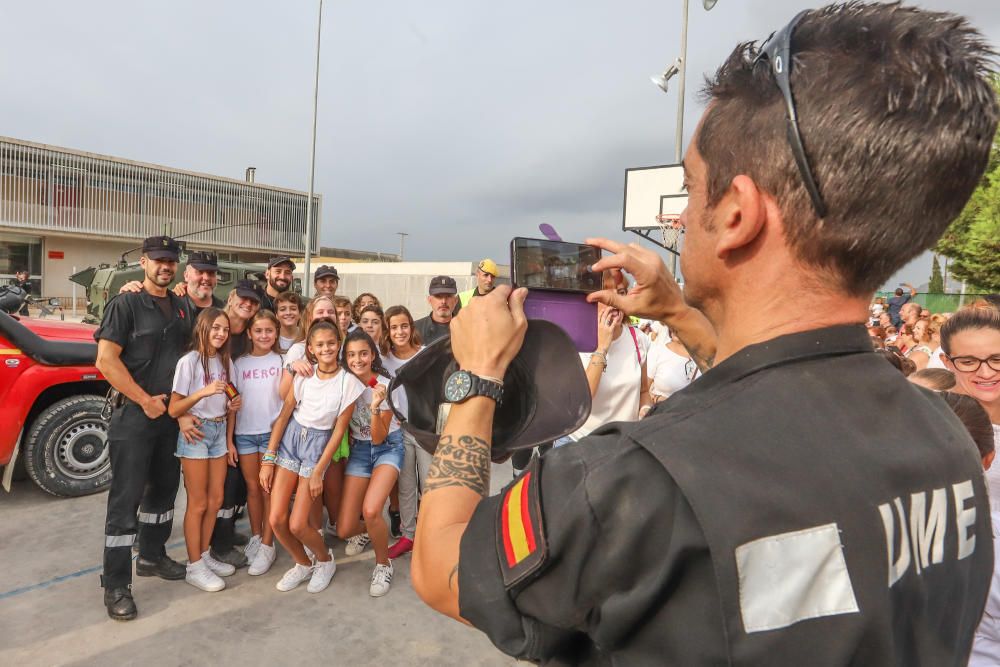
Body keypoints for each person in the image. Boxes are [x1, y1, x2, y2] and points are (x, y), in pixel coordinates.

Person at [410, 5, 997, 664]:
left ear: (738, 213)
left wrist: (476, 376)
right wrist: (682, 314)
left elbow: (442, 568)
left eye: (690, 192)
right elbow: (787, 403)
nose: (680, 217)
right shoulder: (946, 437)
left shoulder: (628, 481)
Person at [94, 236, 192, 621]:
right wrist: (143, 400)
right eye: (158, 260)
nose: (165, 266)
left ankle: (152, 555)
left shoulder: (182, 307)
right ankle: (116, 584)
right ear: (144, 262)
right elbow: (106, 360)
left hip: (169, 418)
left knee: (164, 493)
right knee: (125, 502)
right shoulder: (126, 303)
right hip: (134, 418)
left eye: (171, 261)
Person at [260, 321, 363, 593]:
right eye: (320, 345)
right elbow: (284, 416)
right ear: (311, 349)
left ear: (338, 344)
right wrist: (268, 458)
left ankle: (325, 560)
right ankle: (303, 563)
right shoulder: (304, 376)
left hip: (317, 447)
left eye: (331, 343)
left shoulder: (348, 382)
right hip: (291, 442)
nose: (326, 348)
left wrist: (319, 470)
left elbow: (339, 430)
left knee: (298, 523)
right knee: (277, 519)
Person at [938, 304, 1000, 667]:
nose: (986, 372)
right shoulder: (929, 418)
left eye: (996, 358)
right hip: (950, 592)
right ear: (948, 362)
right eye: (969, 361)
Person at [168, 307, 239, 592]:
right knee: (197, 502)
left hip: (220, 432)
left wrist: (232, 409)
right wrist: (202, 393)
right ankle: (194, 565)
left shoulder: (225, 362)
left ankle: (205, 554)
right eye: (215, 328)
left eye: (225, 329)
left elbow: (231, 399)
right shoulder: (189, 362)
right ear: (203, 328)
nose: (220, 334)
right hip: (197, 433)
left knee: (216, 498)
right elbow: (174, 408)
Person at [336, 329, 406, 597]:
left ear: (373, 355)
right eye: (351, 355)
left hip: (387, 447)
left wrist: (376, 407)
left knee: (372, 509)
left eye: (363, 353)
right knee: (344, 528)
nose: (357, 360)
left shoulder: (385, 385)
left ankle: (383, 564)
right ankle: (372, 530)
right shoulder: (344, 382)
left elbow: (378, 437)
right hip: (360, 451)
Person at [229, 310, 285, 576]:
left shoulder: (282, 361)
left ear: (276, 333)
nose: (264, 335)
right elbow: (233, 404)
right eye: (259, 331)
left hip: (271, 435)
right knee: (252, 488)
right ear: (249, 333)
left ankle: (268, 543)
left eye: (269, 331)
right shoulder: (239, 364)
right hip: (245, 433)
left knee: (268, 489)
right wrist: (230, 438)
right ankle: (255, 535)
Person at [562, 275, 651, 444]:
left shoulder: (638, 338)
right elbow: (581, 401)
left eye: (621, 293)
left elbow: (644, 391)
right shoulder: (576, 342)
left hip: (623, 445)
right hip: (580, 443)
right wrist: (602, 346)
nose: (614, 301)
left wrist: (646, 409)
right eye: (606, 295)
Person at [381, 305, 426, 559]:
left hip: (426, 430)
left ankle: (431, 533)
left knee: (429, 486)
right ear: (388, 330)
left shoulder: (426, 354)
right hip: (399, 429)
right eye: (394, 327)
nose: (399, 331)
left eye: (404, 326)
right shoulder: (384, 359)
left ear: (411, 327)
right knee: (405, 486)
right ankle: (409, 534)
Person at [647, 324, 700, 402]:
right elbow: (643, 392)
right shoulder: (657, 351)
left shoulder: (705, 355)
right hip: (663, 411)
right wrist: (656, 398)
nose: (674, 326)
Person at [414, 276, 458, 345]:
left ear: (455, 300)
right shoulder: (415, 329)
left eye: (448, 296)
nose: (443, 301)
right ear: (429, 300)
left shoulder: (466, 329)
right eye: (438, 296)